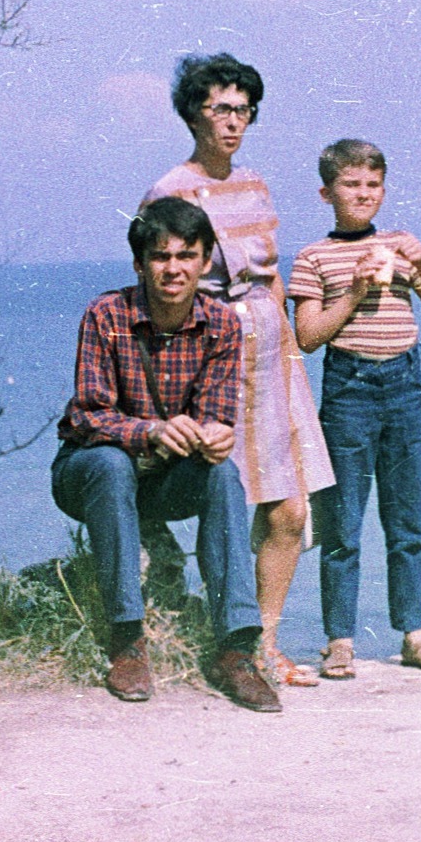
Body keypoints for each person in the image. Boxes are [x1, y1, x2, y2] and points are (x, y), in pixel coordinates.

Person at [142, 53, 334, 689]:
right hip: (215, 357)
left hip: (271, 356)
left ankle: (268, 642)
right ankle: (231, 644)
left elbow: (273, 274)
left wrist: (287, 346)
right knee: (228, 502)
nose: (233, 122)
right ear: (194, 112)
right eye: (221, 108)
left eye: (243, 110)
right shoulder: (170, 189)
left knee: (290, 510)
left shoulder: (254, 184)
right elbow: (162, 285)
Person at [51, 196, 281, 712]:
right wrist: (151, 431)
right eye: (160, 256)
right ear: (139, 264)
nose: (173, 269)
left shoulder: (222, 324)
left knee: (223, 474)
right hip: (91, 475)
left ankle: (236, 649)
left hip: (166, 480)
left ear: (204, 263)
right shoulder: (106, 315)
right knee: (110, 463)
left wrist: (216, 435)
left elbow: (218, 413)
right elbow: (88, 415)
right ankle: (127, 638)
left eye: (186, 256)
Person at [288, 139, 421, 680]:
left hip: (405, 385)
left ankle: (413, 633)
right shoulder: (314, 256)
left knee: (407, 518)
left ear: (383, 190)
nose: (362, 194)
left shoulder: (399, 245)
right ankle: (340, 641)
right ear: (326, 192)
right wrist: (357, 290)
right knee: (343, 523)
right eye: (350, 185)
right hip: (350, 389)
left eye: (372, 185)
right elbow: (309, 335)